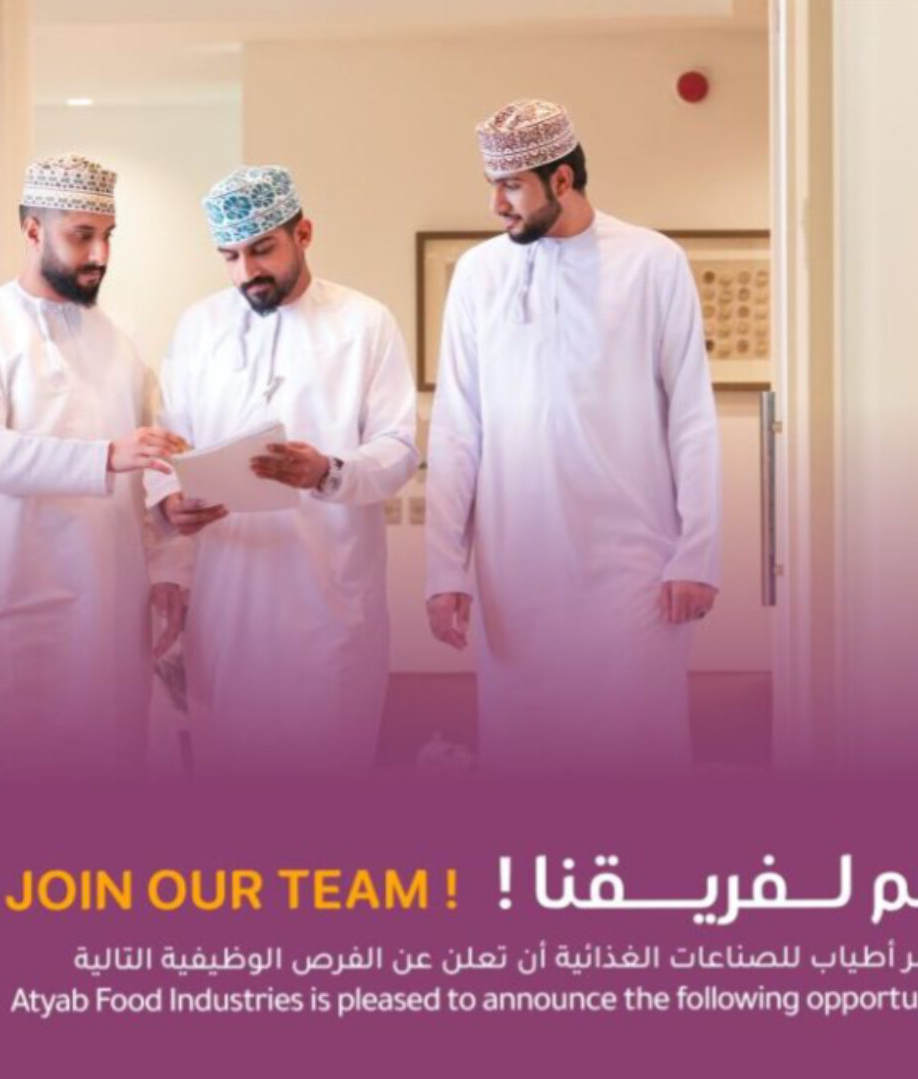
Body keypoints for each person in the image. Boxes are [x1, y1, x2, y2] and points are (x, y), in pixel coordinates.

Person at [425, 100, 721, 770]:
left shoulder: (653, 261)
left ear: (561, 179)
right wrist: (444, 568)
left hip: (634, 564)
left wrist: (698, 553)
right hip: (514, 569)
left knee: (637, 757)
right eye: (492, 185)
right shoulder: (478, 273)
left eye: (511, 186)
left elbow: (691, 415)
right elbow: (457, 427)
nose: (497, 205)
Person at [146, 166, 418, 770]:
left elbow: (399, 448)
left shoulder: (364, 323)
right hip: (227, 602)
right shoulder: (198, 327)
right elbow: (168, 444)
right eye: (231, 256)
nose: (247, 271)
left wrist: (328, 471)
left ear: (304, 234)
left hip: (330, 599)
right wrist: (169, 500)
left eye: (262, 249)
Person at [0, 154, 190, 776]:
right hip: (5, 603)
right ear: (32, 230)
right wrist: (107, 456)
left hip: (106, 608)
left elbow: (158, 462)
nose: (100, 254)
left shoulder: (120, 341)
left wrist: (170, 566)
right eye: (82, 235)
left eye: (109, 236)